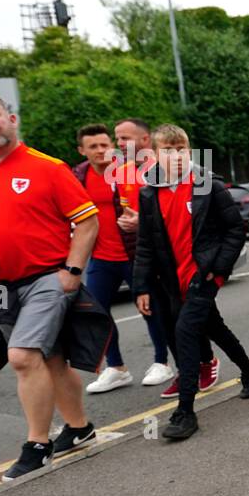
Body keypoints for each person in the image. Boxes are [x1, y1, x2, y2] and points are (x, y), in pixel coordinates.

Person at [0, 89, 101, 479]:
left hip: (45, 278)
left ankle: (37, 443)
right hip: (0, 286)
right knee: (48, 359)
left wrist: (71, 271)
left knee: (21, 356)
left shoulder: (48, 167)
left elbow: (87, 221)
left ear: (11, 118)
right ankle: (80, 428)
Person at [132, 125, 249, 440]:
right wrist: (141, 286)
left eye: (181, 149)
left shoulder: (208, 184)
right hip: (171, 280)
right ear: (155, 154)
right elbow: (145, 244)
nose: (176, 156)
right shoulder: (149, 191)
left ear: (189, 151)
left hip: (203, 276)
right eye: (168, 150)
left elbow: (235, 230)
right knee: (213, 327)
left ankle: (185, 411)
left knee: (185, 333)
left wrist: (217, 269)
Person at [114, 116, 216, 395]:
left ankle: (207, 365)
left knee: (197, 322)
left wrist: (216, 265)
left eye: (125, 138)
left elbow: (209, 220)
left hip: (185, 262)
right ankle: (186, 371)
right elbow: (126, 215)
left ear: (146, 142)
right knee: (166, 320)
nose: (119, 144)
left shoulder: (190, 174)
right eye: (118, 138)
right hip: (149, 258)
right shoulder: (121, 173)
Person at [72, 123, 169, 394]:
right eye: (94, 146)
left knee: (149, 309)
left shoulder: (132, 170)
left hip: (133, 254)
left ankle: (162, 362)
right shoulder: (77, 177)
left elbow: (155, 209)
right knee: (98, 314)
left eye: (106, 144)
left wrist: (143, 225)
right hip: (100, 258)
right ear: (82, 151)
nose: (102, 150)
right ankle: (116, 368)